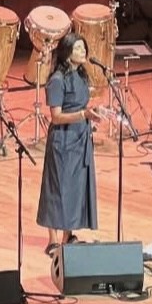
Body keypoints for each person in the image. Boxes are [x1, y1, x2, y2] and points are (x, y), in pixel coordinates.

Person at [38, 34, 99, 254]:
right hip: (63, 139)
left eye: (84, 48)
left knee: (74, 187)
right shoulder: (57, 80)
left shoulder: (81, 75)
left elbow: (82, 106)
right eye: (78, 48)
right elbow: (56, 117)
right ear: (67, 53)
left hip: (80, 138)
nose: (83, 52)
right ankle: (53, 239)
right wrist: (83, 115)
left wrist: (93, 114)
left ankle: (68, 235)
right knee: (58, 188)